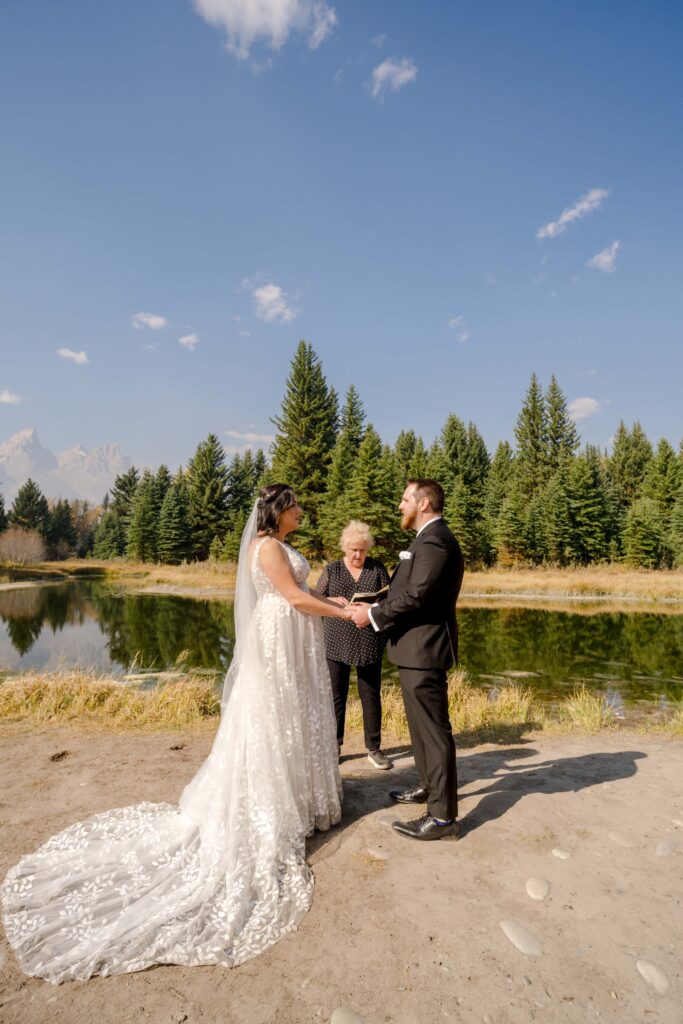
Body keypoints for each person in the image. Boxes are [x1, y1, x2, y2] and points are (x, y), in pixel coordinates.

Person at [1, 485, 352, 984]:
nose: (301, 510)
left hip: (292, 630)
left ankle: (299, 797)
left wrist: (329, 596)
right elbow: (291, 596)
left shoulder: (278, 546)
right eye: (294, 505)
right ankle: (271, 807)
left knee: (292, 721)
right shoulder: (268, 546)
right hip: (279, 636)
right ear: (278, 511)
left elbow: (303, 594)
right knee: (276, 722)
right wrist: (345, 612)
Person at [349, 479, 464, 842]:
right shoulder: (425, 540)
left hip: (426, 648)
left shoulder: (437, 541)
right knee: (419, 727)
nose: (400, 506)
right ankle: (429, 786)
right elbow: (405, 590)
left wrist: (373, 616)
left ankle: (444, 820)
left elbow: (419, 596)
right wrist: (372, 603)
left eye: (405, 499)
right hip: (414, 649)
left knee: (433, 730)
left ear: (424, 503)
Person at [316, 520, 391, 769]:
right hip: (336, 639)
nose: (358, 555)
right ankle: (334, 747)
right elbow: (316, 599)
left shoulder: (377, 569)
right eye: (353, 550)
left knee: (370, 695)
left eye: (362, 550)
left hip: (370, 638)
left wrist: (374, 607)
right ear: (344, 548)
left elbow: (390, 602)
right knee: (336, 696)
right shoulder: (333, 570)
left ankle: (374, 748)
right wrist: (331, 601)